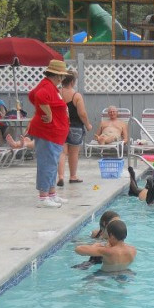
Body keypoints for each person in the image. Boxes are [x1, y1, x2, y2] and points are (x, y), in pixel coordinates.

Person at [27, 60, 70, 208]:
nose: (62, 79)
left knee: (52, 163)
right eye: (62, 76)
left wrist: (42, 111)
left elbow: (32, 95)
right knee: (47, 164)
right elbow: (38, 96)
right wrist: (48, 114)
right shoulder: (47, 86)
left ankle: (52, 194)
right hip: (48, 133)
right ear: (58, 76)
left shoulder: (50, 86)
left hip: (54, 133)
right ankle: (43, 197)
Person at [57, 70, 92, 186]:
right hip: (75, 127)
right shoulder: (76, 95)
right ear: (72, 81)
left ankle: (60, 176)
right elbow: (82, 113)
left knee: (62, 153)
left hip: (60, 126)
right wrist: (88, 125)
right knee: (73, 153)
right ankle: (73, 176)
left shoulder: (57, 93)